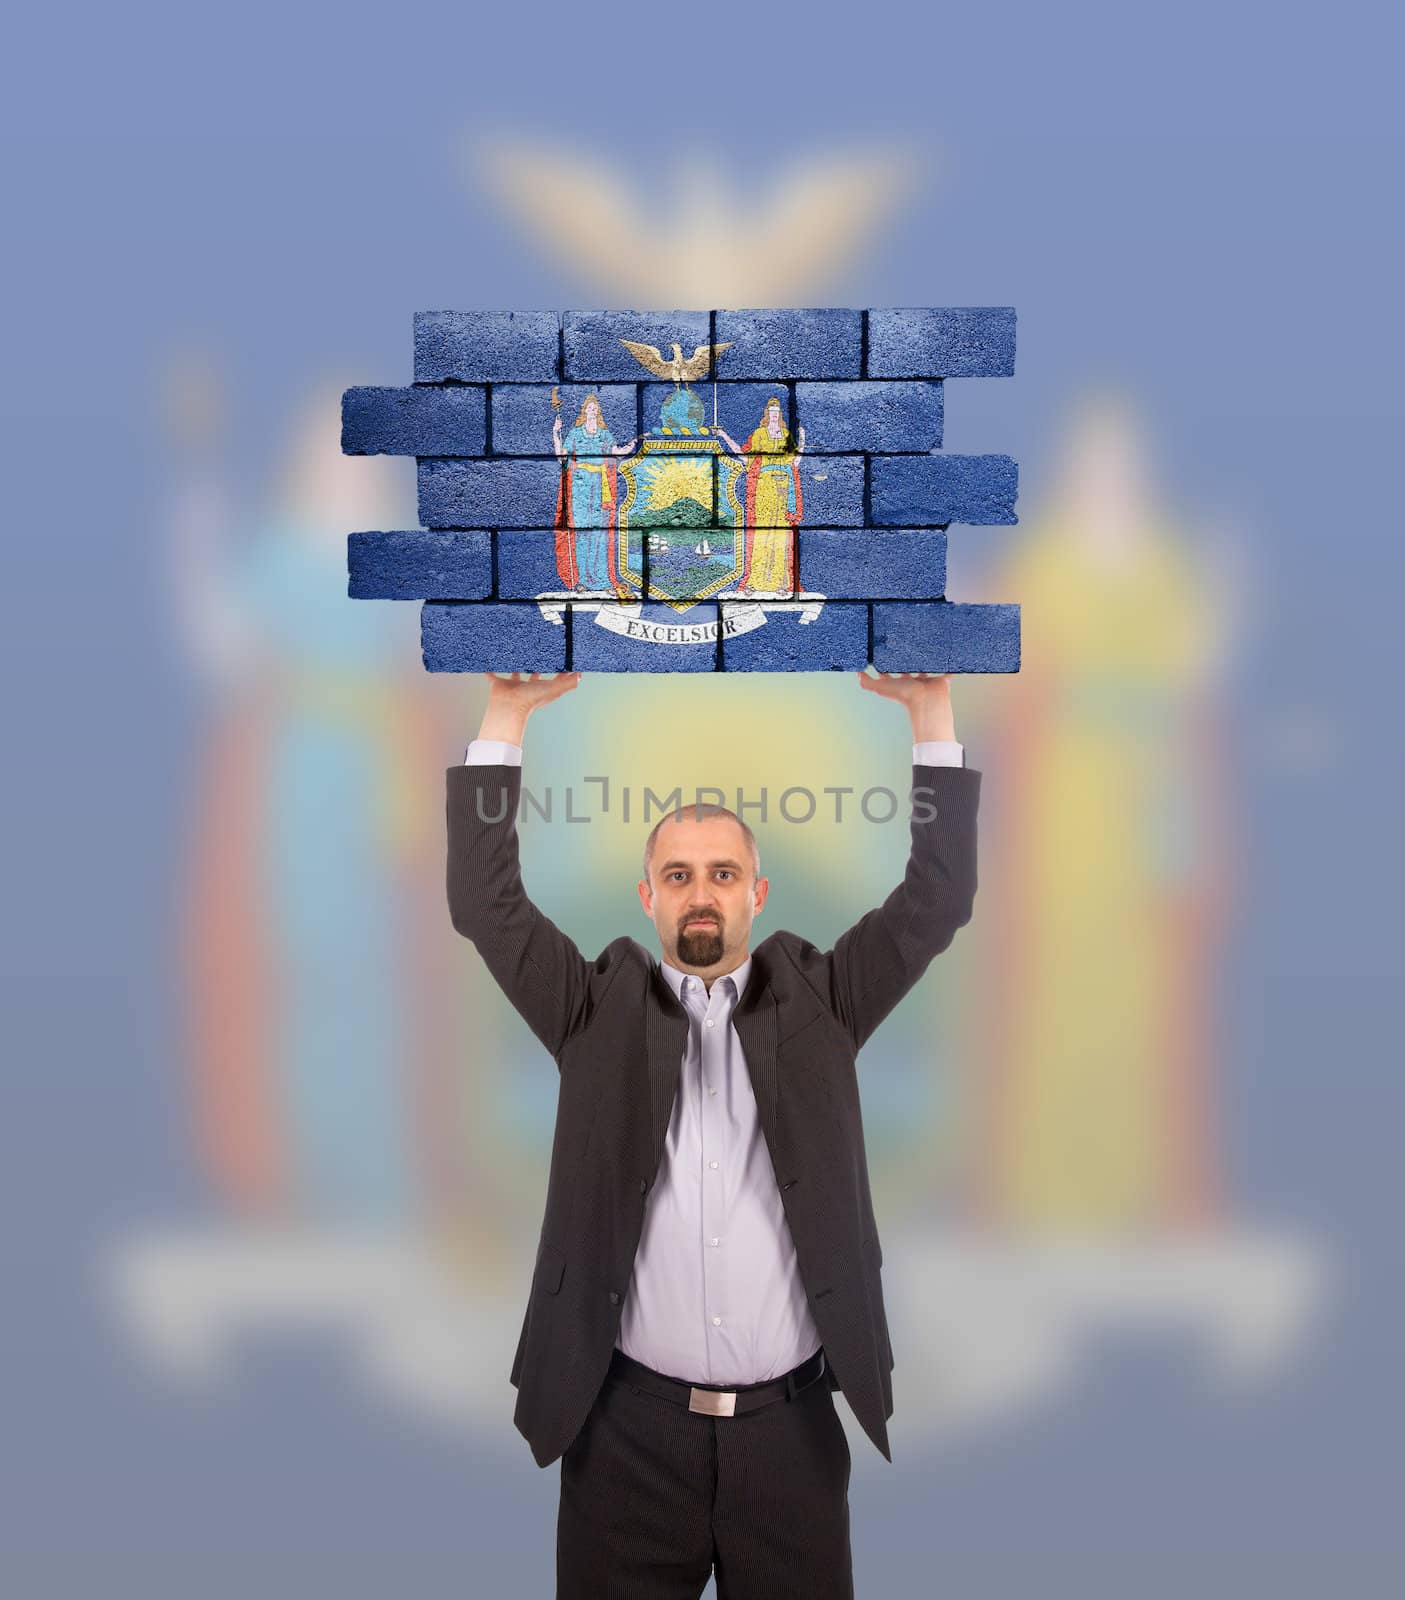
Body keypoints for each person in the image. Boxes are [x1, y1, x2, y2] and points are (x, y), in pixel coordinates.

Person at [447, 669, 981, 1598]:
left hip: (792, 1441)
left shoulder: (826, 998)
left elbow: (934, 901)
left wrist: (929, 713)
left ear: (757, 894)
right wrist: (507, 714)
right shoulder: (590, 1008)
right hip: (623, 1438)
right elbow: (485, 906)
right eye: (680, 876)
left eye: (723, 875)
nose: (703, 895)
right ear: (646, 895)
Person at [714, 398, 805, 595]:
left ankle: (781, 583)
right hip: (764, 488)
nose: (774, 414)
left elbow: (794, 462)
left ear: (780, 414)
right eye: (771, 410)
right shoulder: (759, 435)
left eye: (777, 411)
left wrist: (802, 439)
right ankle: (755, 582)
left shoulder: (787, 435)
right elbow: (746, 457)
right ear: (766, 413)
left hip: (783, 489)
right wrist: (724, 436)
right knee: (761, 534)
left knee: (781, 536)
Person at [552, 394, 638, 593]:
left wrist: (631, 446)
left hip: (600, 488)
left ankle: (603, 581)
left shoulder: (604, 434)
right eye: (589, 407)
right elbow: (561, 459)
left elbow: (616, 452)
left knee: (600, 535)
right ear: (584, 410)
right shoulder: (574, 433)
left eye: (595, 407)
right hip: (580, 489)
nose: (593, 410)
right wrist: (555, 434)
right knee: (581, 534)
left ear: (598, 412)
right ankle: (581, 580)